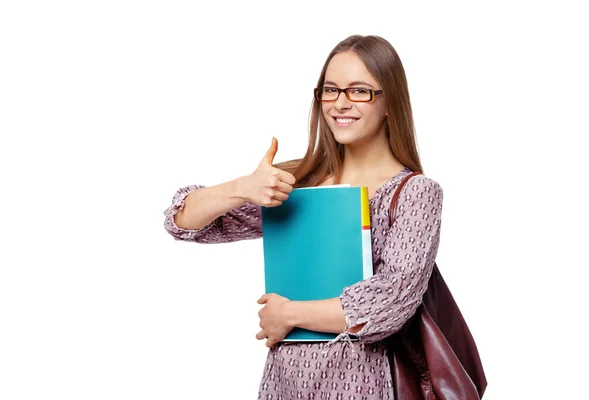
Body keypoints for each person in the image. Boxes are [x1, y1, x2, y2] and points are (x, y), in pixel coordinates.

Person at [163, 35, 443, 400]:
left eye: (359, 91)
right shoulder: (299, 184)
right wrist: (242, 187)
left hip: (363, 383)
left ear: (390, 101)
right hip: (286, 383)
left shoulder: (414, 193)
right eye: (330, 90)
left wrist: (289, 315)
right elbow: (183, 223)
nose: (340, 104)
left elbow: (389, 302)